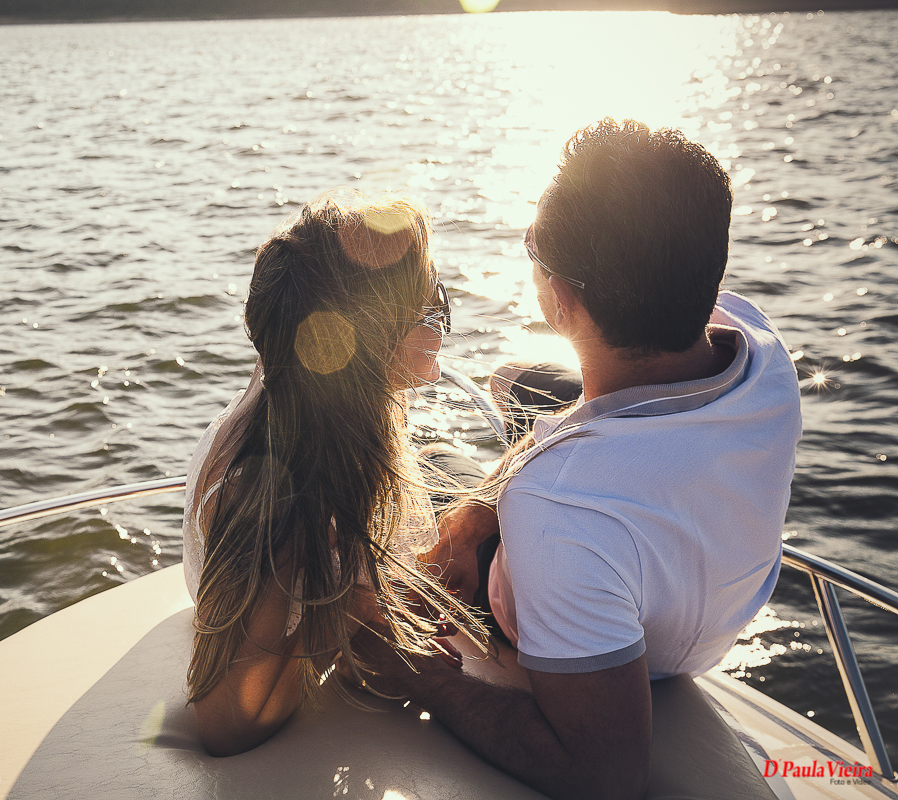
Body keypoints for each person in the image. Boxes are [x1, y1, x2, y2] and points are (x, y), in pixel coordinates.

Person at [356, 119, 802, 800]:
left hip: (615, 630)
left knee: (433, 467)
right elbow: (587, 444)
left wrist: (418, 668)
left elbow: (604, 773)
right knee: (512, 384)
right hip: (704, 599)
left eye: (533, 246)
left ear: (560, 299)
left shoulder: (560, 510)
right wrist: (479, 515)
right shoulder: (761, 350)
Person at [182, 189, 481, 757]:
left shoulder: (311, 400)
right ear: (371, 340)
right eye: (431, 307)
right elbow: (225, 721)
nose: (444, 324)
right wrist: (348, 625)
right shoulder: (284, 487)